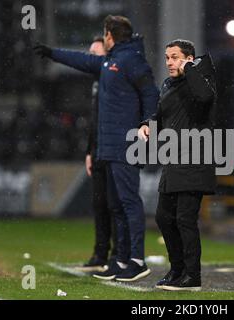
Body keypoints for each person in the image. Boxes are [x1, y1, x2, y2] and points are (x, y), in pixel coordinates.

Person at [33, 15, 159, 282]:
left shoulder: (131, 60)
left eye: (104, 33)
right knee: (115, 206)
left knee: (128, 202)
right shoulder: (110, 61)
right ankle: (122, 258)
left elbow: (150, 92)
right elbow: (82, 61)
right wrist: (52, 54)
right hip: (110, 147)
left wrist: (148, 122)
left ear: (110, 35)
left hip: (126, 145)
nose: (103, 38)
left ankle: (137, 259)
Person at [138, 39, 216, 291]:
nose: (169, 62)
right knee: (164, 217)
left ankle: (192, 276)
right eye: (167, 58)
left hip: (195, 158)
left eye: (174, 57)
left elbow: (204, 97)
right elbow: (162, 115)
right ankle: (177, 269)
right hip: (174, 159)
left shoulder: (202, 76)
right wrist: (147, 124)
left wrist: (190, 68)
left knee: (185, 218)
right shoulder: (169, 84)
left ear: (189, 59)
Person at [76, 36, 117, 272]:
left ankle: (119, 255)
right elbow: (95, 121)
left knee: (115, 204)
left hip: (113, 151)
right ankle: (101, 254)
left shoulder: (115, 79)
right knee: (100, 204)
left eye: (95, 52)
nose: (91, 56)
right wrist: (89, 151)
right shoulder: (96, 81)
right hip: (99, 150)